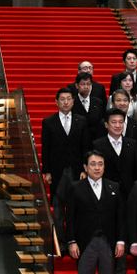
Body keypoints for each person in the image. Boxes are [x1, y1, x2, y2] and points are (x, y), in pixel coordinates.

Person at [66, 150, 124, 274]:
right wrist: (71, 241)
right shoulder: (76, 188)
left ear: (104, 166)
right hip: (85, 243)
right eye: (93, 164)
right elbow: (70, 218)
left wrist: (121, 241)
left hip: (108, 241)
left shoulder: (114, 186)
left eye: (100, 164)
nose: (97, 168)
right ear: (85, 167)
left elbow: (120, 217)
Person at [92, 108, 137, 274]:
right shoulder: (98, 144)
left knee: (126, 235)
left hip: (129, 196)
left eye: (121, 122)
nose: (117, 125)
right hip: (107, 197)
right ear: (106, 124)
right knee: (110, 236)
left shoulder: (132, 143)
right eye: (113, 122)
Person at [41, 88, 91, 247]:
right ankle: (61, 243)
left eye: (69, 99)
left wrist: (85, 169)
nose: (66, 102)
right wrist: (46, 171)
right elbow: (46, 148)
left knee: (76, 207)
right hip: (57, 171)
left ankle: (74, 240)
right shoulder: (48, 122)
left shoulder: (81, 120)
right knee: (57, 209)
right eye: (62, 99)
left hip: (77, 170)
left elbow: (86, 147)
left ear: (73, 101)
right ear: (56, 102)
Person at [108, 89, 137, 162]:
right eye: (118, 100)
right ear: (112, 103)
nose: (122, 103)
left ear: (129, 103)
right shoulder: (105, 124)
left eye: (125, 100)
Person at [72, 72, 105, 139]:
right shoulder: (71, 102)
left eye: (88, 84)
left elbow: (101, 123)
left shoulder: (98, 102)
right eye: (83, 84)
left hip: (95, 140)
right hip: (77, 139)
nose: (86, 87)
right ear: (77, 86)